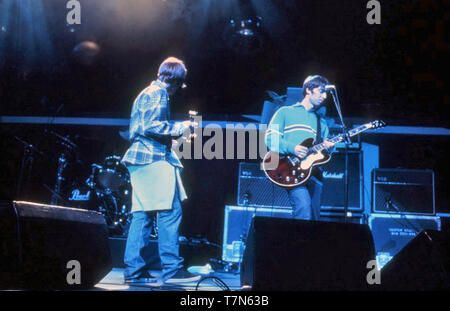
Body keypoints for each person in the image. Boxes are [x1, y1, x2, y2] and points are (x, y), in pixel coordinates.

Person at [121, 57, 200, 285]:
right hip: (152, 158)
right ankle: (172, 270)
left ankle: (134, 272)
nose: (180, 89)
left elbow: (146, 128)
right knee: (170, 211)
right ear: (175, 79)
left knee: (142, 215)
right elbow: (152, 126)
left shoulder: (146, 92)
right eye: (181, 83)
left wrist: (174, 140)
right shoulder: (159, 93)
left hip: (141, 158)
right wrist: (182, 127)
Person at [265, 75, 336, 220]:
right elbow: (270, 138)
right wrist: (293, 148)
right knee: (303, 208)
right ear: (309, 90)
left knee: (315, 217)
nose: (324, 96)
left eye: (326, 93)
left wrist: (329, 148)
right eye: (321, 91)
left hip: (314, 175)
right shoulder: (285, 112)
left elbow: (324, 153)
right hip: (290, 169)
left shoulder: (321, 121)